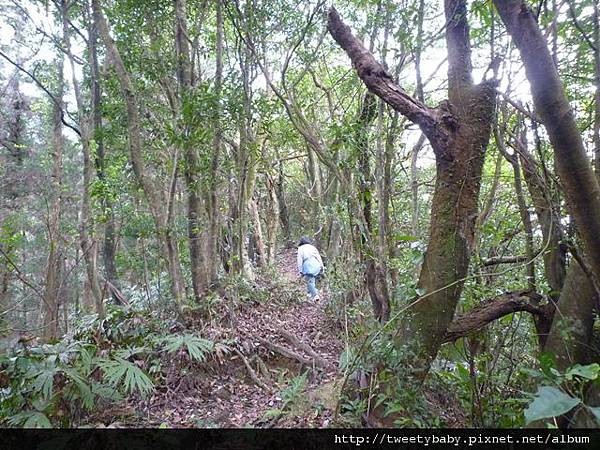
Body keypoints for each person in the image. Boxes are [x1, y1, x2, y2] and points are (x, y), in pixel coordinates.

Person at [297, 236, 324, 301]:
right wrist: (322, 266)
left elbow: (299, 260)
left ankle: (315, 295)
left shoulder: (300, 248)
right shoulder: (312, 247)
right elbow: (318, 257)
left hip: (308, 264)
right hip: (316, 263)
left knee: (309, 281)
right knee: (312, 279)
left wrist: (300, 270)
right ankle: (310, 294)